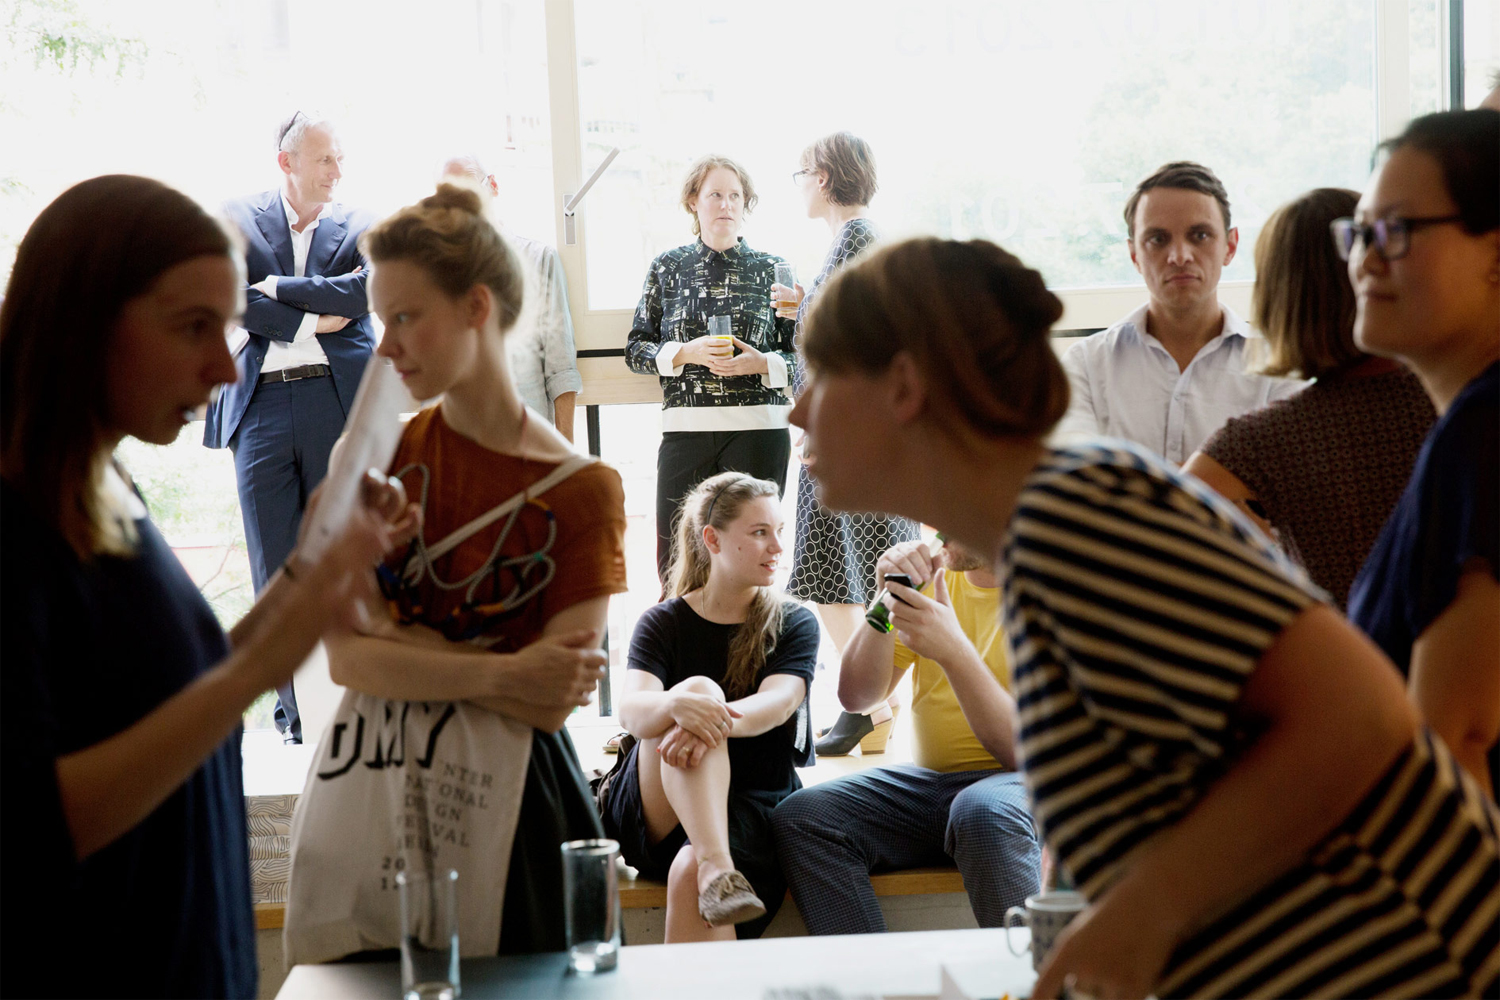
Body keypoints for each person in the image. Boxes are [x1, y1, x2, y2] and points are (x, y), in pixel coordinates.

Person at [790, 235, 1499, 999]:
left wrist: (1138, 918)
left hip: (1413, 963)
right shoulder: (1038, 541)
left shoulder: (1087, 512)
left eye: (821, 377)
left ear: (903, 388)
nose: (797, 408)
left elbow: (1364, 721)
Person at [0, 174, 415, 999]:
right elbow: (35, 825)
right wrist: (257, 672)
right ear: (86, 318)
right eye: (194, 327)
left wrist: (312, 568)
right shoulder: (17, 521)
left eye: (225, 329)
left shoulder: (102, 486)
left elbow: (177, 696)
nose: (225, 369)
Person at [323, 182, 628, 955]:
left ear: (476, 308)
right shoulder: (373, 457)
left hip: (519, 818)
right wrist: (497, 673)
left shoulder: (583, 489)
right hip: (378, 790)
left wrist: (401, 640)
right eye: (377, 321)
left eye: (402, 317)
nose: (384, 347)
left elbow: (553, 700)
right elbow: (346, 657)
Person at [207, 112, 377, 743]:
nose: (338, 171)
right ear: (288, 162)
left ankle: (351, 707)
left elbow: (364, 293)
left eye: (339, 158)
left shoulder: (361, 221)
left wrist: (278, 287)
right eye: (326, 159)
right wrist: (308, 321)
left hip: (338, 404)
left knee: (343, 559)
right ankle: (297, 717)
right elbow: (229, 291)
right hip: (261, 409)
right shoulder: (236, 216)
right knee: (275, 566)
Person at [1346, 109, 1500, 801]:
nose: (1365, 260)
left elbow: (1459, 739)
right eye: (1359, 232)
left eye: (1396, 231)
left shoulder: (1486, 432)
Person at [1182, 188, 1435, 608]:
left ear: (1279, 299)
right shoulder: (1453, 398)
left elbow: (1160, 522)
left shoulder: (1261, 441)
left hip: (1346, 664)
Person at [773, 537, 1040, 933]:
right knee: (803, 816)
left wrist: (953, 649)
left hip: (1027, 791)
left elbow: (1026, 758)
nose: (938, 524)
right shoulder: (936, 577)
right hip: (938, 790)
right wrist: (886, 600)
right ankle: (875, 990)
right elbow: (857, 697)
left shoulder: (1058, 586)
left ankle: (1034, 986)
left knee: (982, 810)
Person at [601, 472, 818, 942]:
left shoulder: (795, 621)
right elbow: (632, 713)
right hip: (656, 809)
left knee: (687, 875)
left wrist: (702, 718)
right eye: (760, 533)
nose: (777, 547)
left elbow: (778, 705)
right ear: (712, 539)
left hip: (753, 801)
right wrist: (681, 703)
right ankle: (717, 865)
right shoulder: (662, 622)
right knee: (697, 689)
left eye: (779, 531)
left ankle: (712, 867)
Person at [777, 131, 920, 755]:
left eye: (802, 172)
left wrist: (824, 430)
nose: (800, 184)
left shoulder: (858, 242)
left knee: (833, 570)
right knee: (834, 568)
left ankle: (873, 706)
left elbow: (859, 348)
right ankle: (873, 708)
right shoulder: (852, 245)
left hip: (851, 441)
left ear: (826, 177)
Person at [1055, 161, 1306, 465]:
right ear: (1134, 254)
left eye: (1199, 235)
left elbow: (1288, 496)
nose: (1179, 256)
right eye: (1158, 239)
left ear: (1230, 245)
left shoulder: (1279, 366)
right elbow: (1080, 482)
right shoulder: (1085, 366)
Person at [625, 155, 797, 586]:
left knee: (754, 560)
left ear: (746, 204)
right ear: (693, 202)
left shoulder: (772, 270)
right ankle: (679, 650)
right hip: (686, 433)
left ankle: (751, 652)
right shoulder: (667, 267)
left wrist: (763, 363)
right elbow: (635, 350)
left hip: (760, 432)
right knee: (676, 561)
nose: (726, 204)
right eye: (715, 194)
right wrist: (687, 353)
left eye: (735, 195)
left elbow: (802, 357)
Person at [440, 153, 582, 442]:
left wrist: (566, 455)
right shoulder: (433, 273)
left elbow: (561, 366)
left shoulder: (539, 260)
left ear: (492, 185)